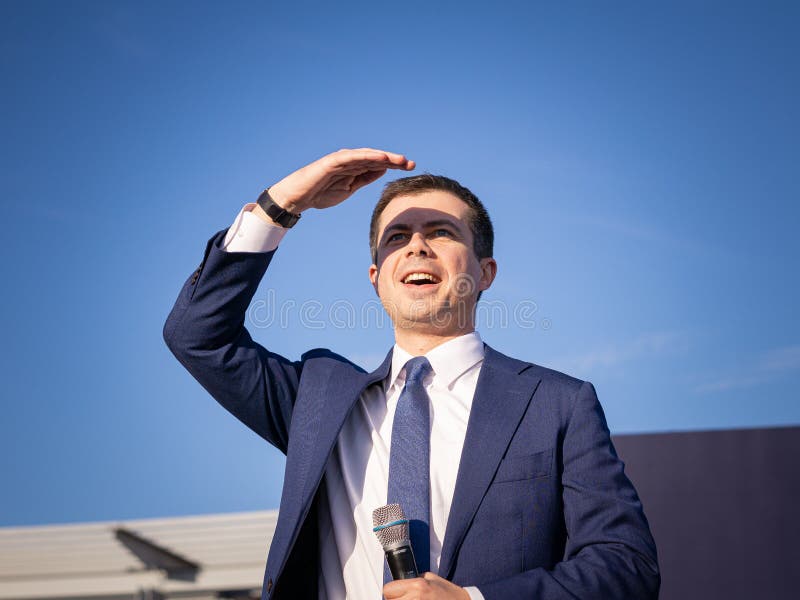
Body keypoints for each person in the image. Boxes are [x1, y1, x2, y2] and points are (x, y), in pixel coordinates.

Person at [164, 148, 660, 599]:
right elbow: (197, 334)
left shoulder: (556, 403)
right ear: (377, 276)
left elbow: (625, 565)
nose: (417, 246)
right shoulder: (316, 402)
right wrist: (282, 204)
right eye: (397, 237)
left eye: (442, 233)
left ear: (485, 272)